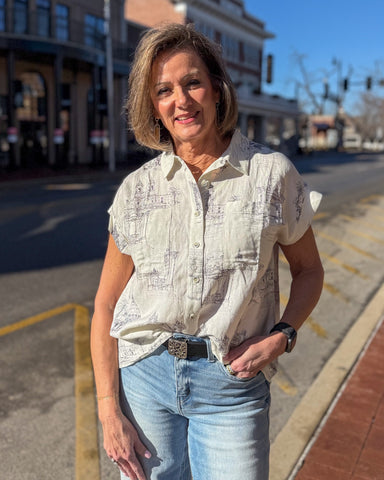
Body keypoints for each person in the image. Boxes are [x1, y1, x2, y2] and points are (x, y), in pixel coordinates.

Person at [90, 23, 324, 480]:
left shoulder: (272, 175)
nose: (181, 100)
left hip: (231, 386)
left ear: (217, 89)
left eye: (192, 82)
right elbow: (105, 303)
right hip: (146, 379)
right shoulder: (136, 191)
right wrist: (107, 410)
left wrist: (283, 334)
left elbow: (310, 270)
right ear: (154, 107)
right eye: (164, 90)